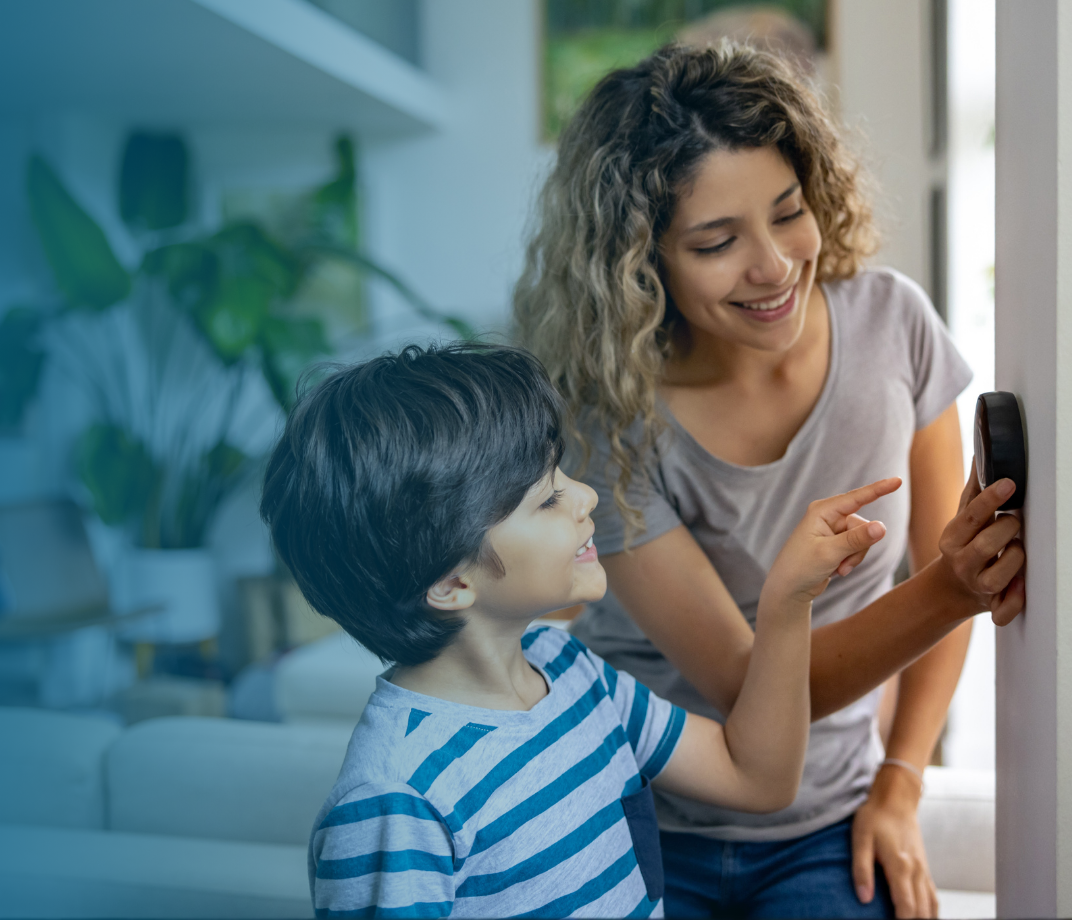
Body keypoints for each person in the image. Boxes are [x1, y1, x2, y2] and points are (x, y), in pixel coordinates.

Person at [513, 42, 1026, 919]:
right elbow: (749, 688)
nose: (775, 265)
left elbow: (951, 560)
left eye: (788, 213)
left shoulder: (893, 325)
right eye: (717, 242)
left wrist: (901, 780)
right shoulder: (608, 411)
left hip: (825, 823)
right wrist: (951, 588)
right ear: (641, 262)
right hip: (633, 809)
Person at [260, 343, 902, 918]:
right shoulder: (394, 798)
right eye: (546, 499)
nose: (586, 496)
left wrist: (787, 601)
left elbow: (757, 778)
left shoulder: (569, 668)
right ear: (451, 583)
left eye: (560, 473)